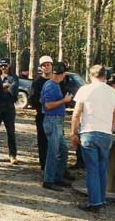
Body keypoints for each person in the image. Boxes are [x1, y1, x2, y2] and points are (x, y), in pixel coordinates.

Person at [71, 65, 115, 212]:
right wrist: (111, 127)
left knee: (92, 169)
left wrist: (74, 133)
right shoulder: (113, 92)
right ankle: (101, 199)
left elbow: (76, 114)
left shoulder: (85, 90)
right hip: (105, 133)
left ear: (91, 76)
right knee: (102, 168)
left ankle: (94, 202)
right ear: (105, 76)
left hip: (89, 132)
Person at [40, 62, 73, 191]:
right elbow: (47, 105)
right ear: (63, 74)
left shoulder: (55, 85)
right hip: (52, 120)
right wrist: (64, 101)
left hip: (57, 121)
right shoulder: (50, 85)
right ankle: (48, 180)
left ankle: (57, 177)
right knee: (53, 152)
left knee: (63, 150)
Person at [28, 56, 53, 172]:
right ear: (41, 68)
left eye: (48, 65)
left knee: (58, 143)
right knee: (43, 142)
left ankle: (58, 169)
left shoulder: (58, 80)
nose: (46, 67)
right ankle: (44, 168)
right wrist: (42, 103)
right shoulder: (37, 82)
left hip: (56, 116)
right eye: (44, 65)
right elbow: (32, 100)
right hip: (42, 116)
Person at [0, 58, 19, 164]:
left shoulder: (13, 77)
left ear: (9, 66)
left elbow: (12, 91)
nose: (3, 68)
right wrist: (2, 87)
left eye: (5, 65)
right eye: (1, 66)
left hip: (9, 108)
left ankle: (13, 155)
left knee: (11, 132)